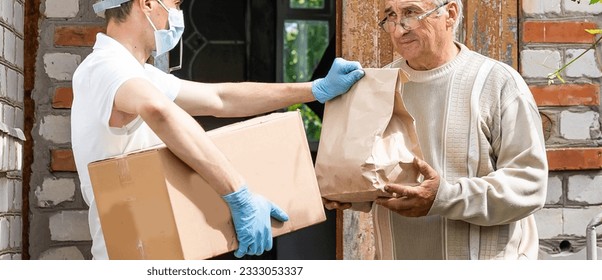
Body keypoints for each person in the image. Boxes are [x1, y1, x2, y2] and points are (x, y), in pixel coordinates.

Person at [72, 0, 365, 260]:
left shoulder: (139, 73)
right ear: (147, 3)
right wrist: (238, 192)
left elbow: (221, 99)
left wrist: (315, 90)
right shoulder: (105, 67)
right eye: (176, 4)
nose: (179, 15)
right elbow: (158, 110)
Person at [326, 0, 548, 259]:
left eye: (411, 14)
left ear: (450, 14)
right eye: (391, 17)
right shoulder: (378, 85)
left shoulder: (498, 83)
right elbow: (375, 176)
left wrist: (445, 197)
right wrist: (346, 190)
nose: (398, 30)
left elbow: (528, 185)